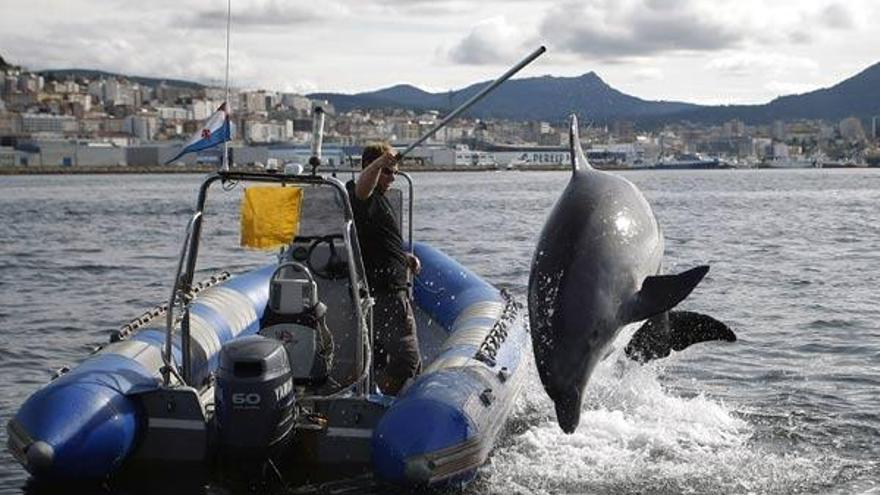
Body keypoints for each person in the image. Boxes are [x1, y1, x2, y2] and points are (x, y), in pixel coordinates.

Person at [346, 143, 421, 394]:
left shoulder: (380, 200)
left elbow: (378, 240)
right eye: (388, 172)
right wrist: (379, 164)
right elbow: (362, 191)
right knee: (407, 360)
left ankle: (370, 393)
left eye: (394, 173)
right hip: (385, 292)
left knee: (378, 354)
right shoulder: (362, 196)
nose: (392, 178)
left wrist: (403, 257)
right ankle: (380, 398)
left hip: (389, 287)